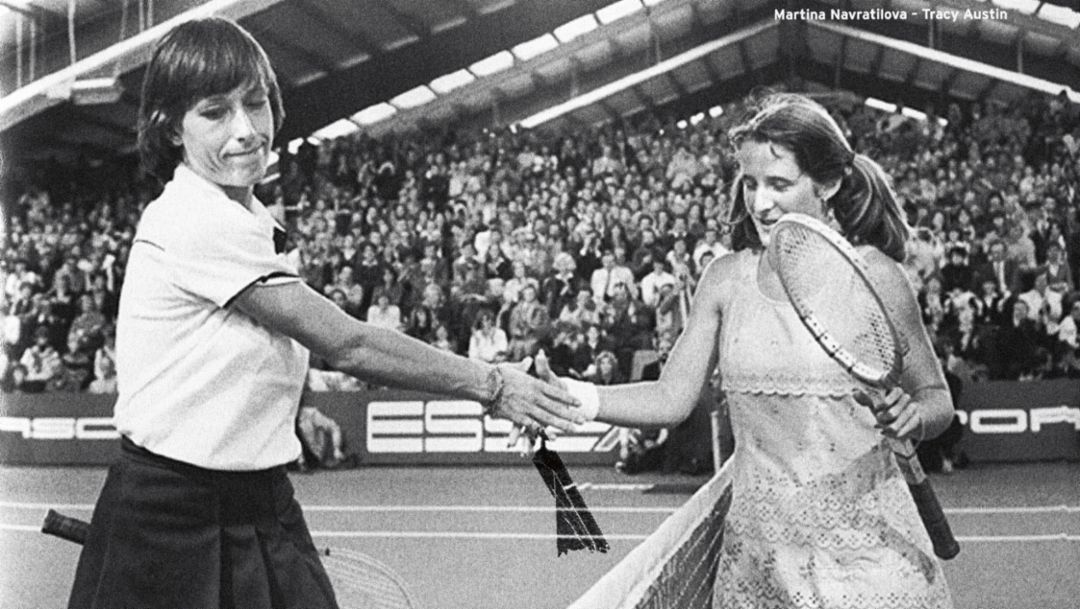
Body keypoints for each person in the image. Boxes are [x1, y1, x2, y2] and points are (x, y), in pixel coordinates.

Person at [67, 18, 582, 609]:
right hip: (173, 513)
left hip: (257, 500)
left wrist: (293, 404)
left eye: (255, 103)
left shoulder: (248, 218)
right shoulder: (194, 217)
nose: (245, 131)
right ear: (171, 129)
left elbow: (229, 342)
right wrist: (492, 384)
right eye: (214, 112)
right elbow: (349, 345)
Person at [535, 94, 956, 608]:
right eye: (750, 183)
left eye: (780, 184)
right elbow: (671, 397)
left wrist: (915, 416)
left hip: (868, 559)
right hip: (758, 560)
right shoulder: (724, 279)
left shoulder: (877, 277)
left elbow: (936, 398)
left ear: (828, 183)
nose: (759, 203)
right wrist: (572, 397)